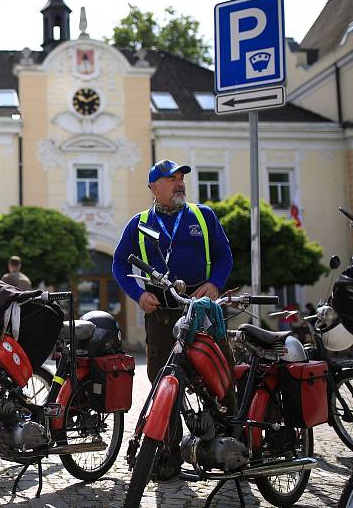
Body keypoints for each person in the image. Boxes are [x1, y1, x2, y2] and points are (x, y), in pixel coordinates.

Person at [112, 159, 235, 481]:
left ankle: (235, 441)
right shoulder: (138, 223)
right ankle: (168, 453)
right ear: (154, 187)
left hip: (203, 309)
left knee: (222, 374)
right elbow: (118, 265)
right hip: (162, 314)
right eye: (171, 179)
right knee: (162, 382)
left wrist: (215, 284)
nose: (179, 183)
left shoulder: (202, 215)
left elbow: (224, 255)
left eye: (181, 178)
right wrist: (138, 295)